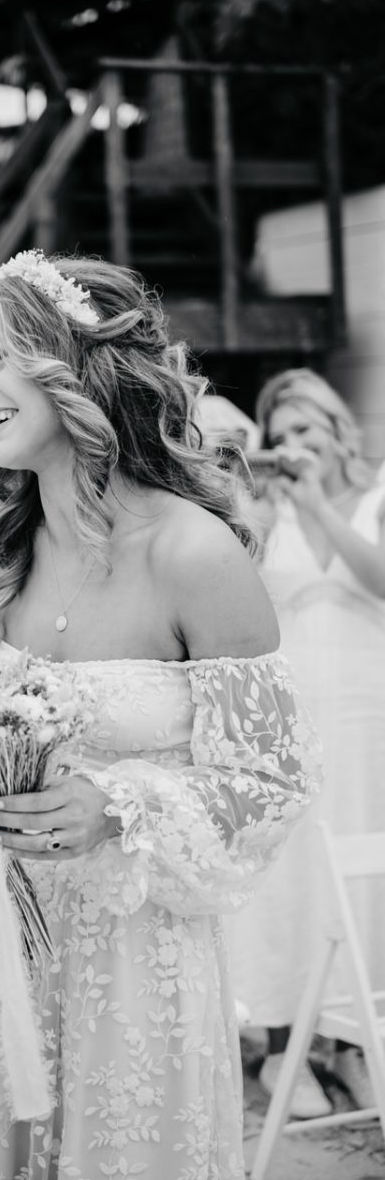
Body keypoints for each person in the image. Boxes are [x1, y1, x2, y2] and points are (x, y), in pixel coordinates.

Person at [0, 251, 321, 1180]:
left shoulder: (195, 556)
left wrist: (117, 803)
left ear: (76, 367)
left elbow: (268, 782)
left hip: (137, 964)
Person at [230, 368, 385, 1119]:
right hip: (292, 725)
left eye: (306, 429)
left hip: (370, 719)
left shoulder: (376, 494)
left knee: (365, 874)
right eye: (281, 435)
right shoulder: (269, 512)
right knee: (293, 874)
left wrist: (322, 507)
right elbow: (241, 605)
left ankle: (355, 1042)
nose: (295, 446)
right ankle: (284, 1046)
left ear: (335, 427)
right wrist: (259, 512)